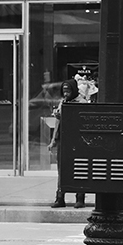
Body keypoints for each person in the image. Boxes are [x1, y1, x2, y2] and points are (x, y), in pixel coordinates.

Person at [48, 79, 89, 208]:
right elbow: (58, 124)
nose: (66, 94)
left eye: (68, 91)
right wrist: (53, 140)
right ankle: (60, 197)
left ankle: (80, 198)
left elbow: (83, 121)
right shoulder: (63, 103)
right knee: (62, 170)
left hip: (77, 141)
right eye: (64, 91)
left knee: (79, 169)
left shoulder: (81, 102)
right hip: (63, 140)